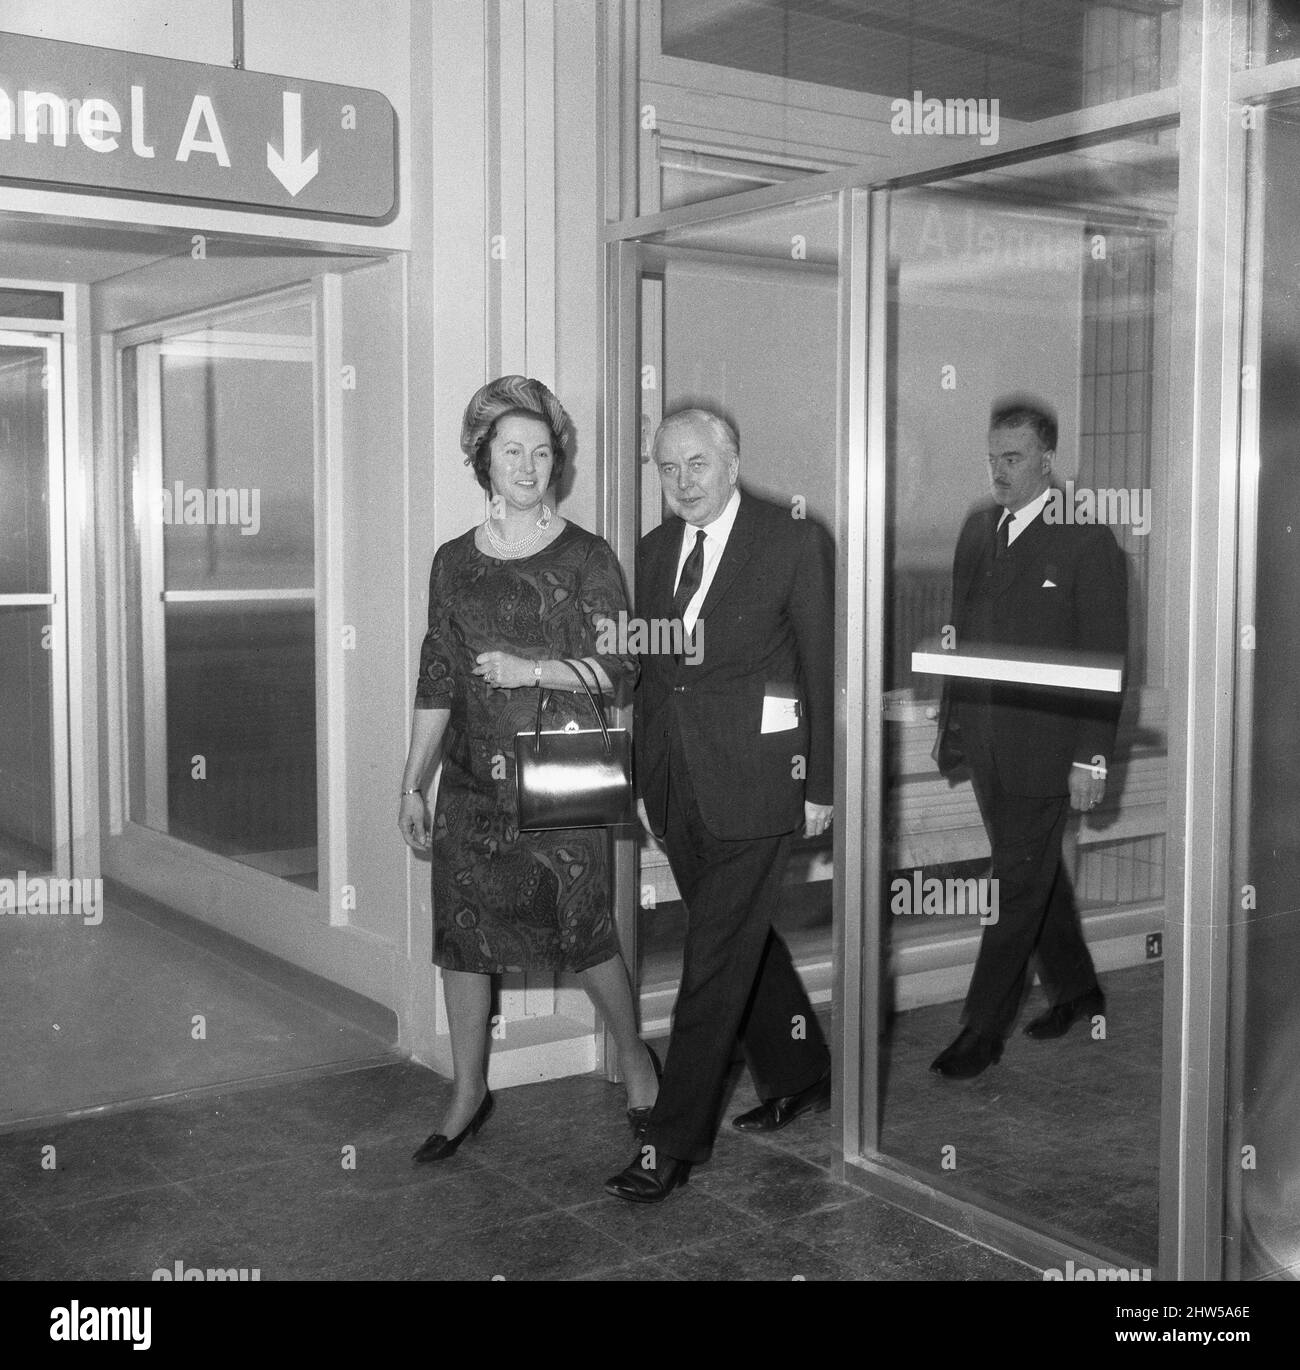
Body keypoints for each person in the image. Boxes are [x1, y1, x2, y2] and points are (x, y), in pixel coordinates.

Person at [399, 375, 659, 1159]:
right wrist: (412, 780)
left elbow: (623, 670)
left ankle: (639, 1066)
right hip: (473, 781)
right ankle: (468, 1090)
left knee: (585, 930)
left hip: (568, 765)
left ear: (558, 463)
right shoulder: (452, 562)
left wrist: (530, 670)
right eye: (512, 449)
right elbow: (438, 676)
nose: (528, 463)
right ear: (483, 460)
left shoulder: (587, 557)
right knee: (462, 934)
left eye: (542, 451)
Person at [603, 407, 835, 1204]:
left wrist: (822, 786)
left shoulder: (794, 537)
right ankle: (802, 1072)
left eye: (696, 465)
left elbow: (820, 670)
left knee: (709, 962)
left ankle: (672, 1141)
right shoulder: (655, 548)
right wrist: (638, 777)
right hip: (676, 783)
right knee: (738, 940)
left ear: (732, 463)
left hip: (763, 781)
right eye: (668, 470)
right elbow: (653, 674)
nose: (682, 484)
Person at [929, 398, 1128, 1080]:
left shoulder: (1085, 541)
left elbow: (1105, 660)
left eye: (1012, 459)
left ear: (1048, 459)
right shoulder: (977, 530)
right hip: (985, 742)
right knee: (1032, 872)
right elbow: (960, 630)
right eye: (993, 459)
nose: (999, 472)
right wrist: (949, 719)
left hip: (1049, 751)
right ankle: (1077, 989)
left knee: (1014, 882)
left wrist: (1090, 756)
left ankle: (980, 1030)